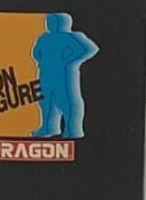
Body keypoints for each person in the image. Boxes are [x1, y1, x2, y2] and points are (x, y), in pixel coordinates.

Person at [30, 12, 98, 140]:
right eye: (48, 21)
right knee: (45, 101)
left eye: (52, 21)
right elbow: (35, 53)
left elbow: (90, 49)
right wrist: (41, 60)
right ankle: (48, 127)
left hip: (63, 74)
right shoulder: (43, 38)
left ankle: (72, 130)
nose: (49, 24)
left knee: (67, 101)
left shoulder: (69, 37)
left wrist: (70, 60)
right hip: (45, 73)